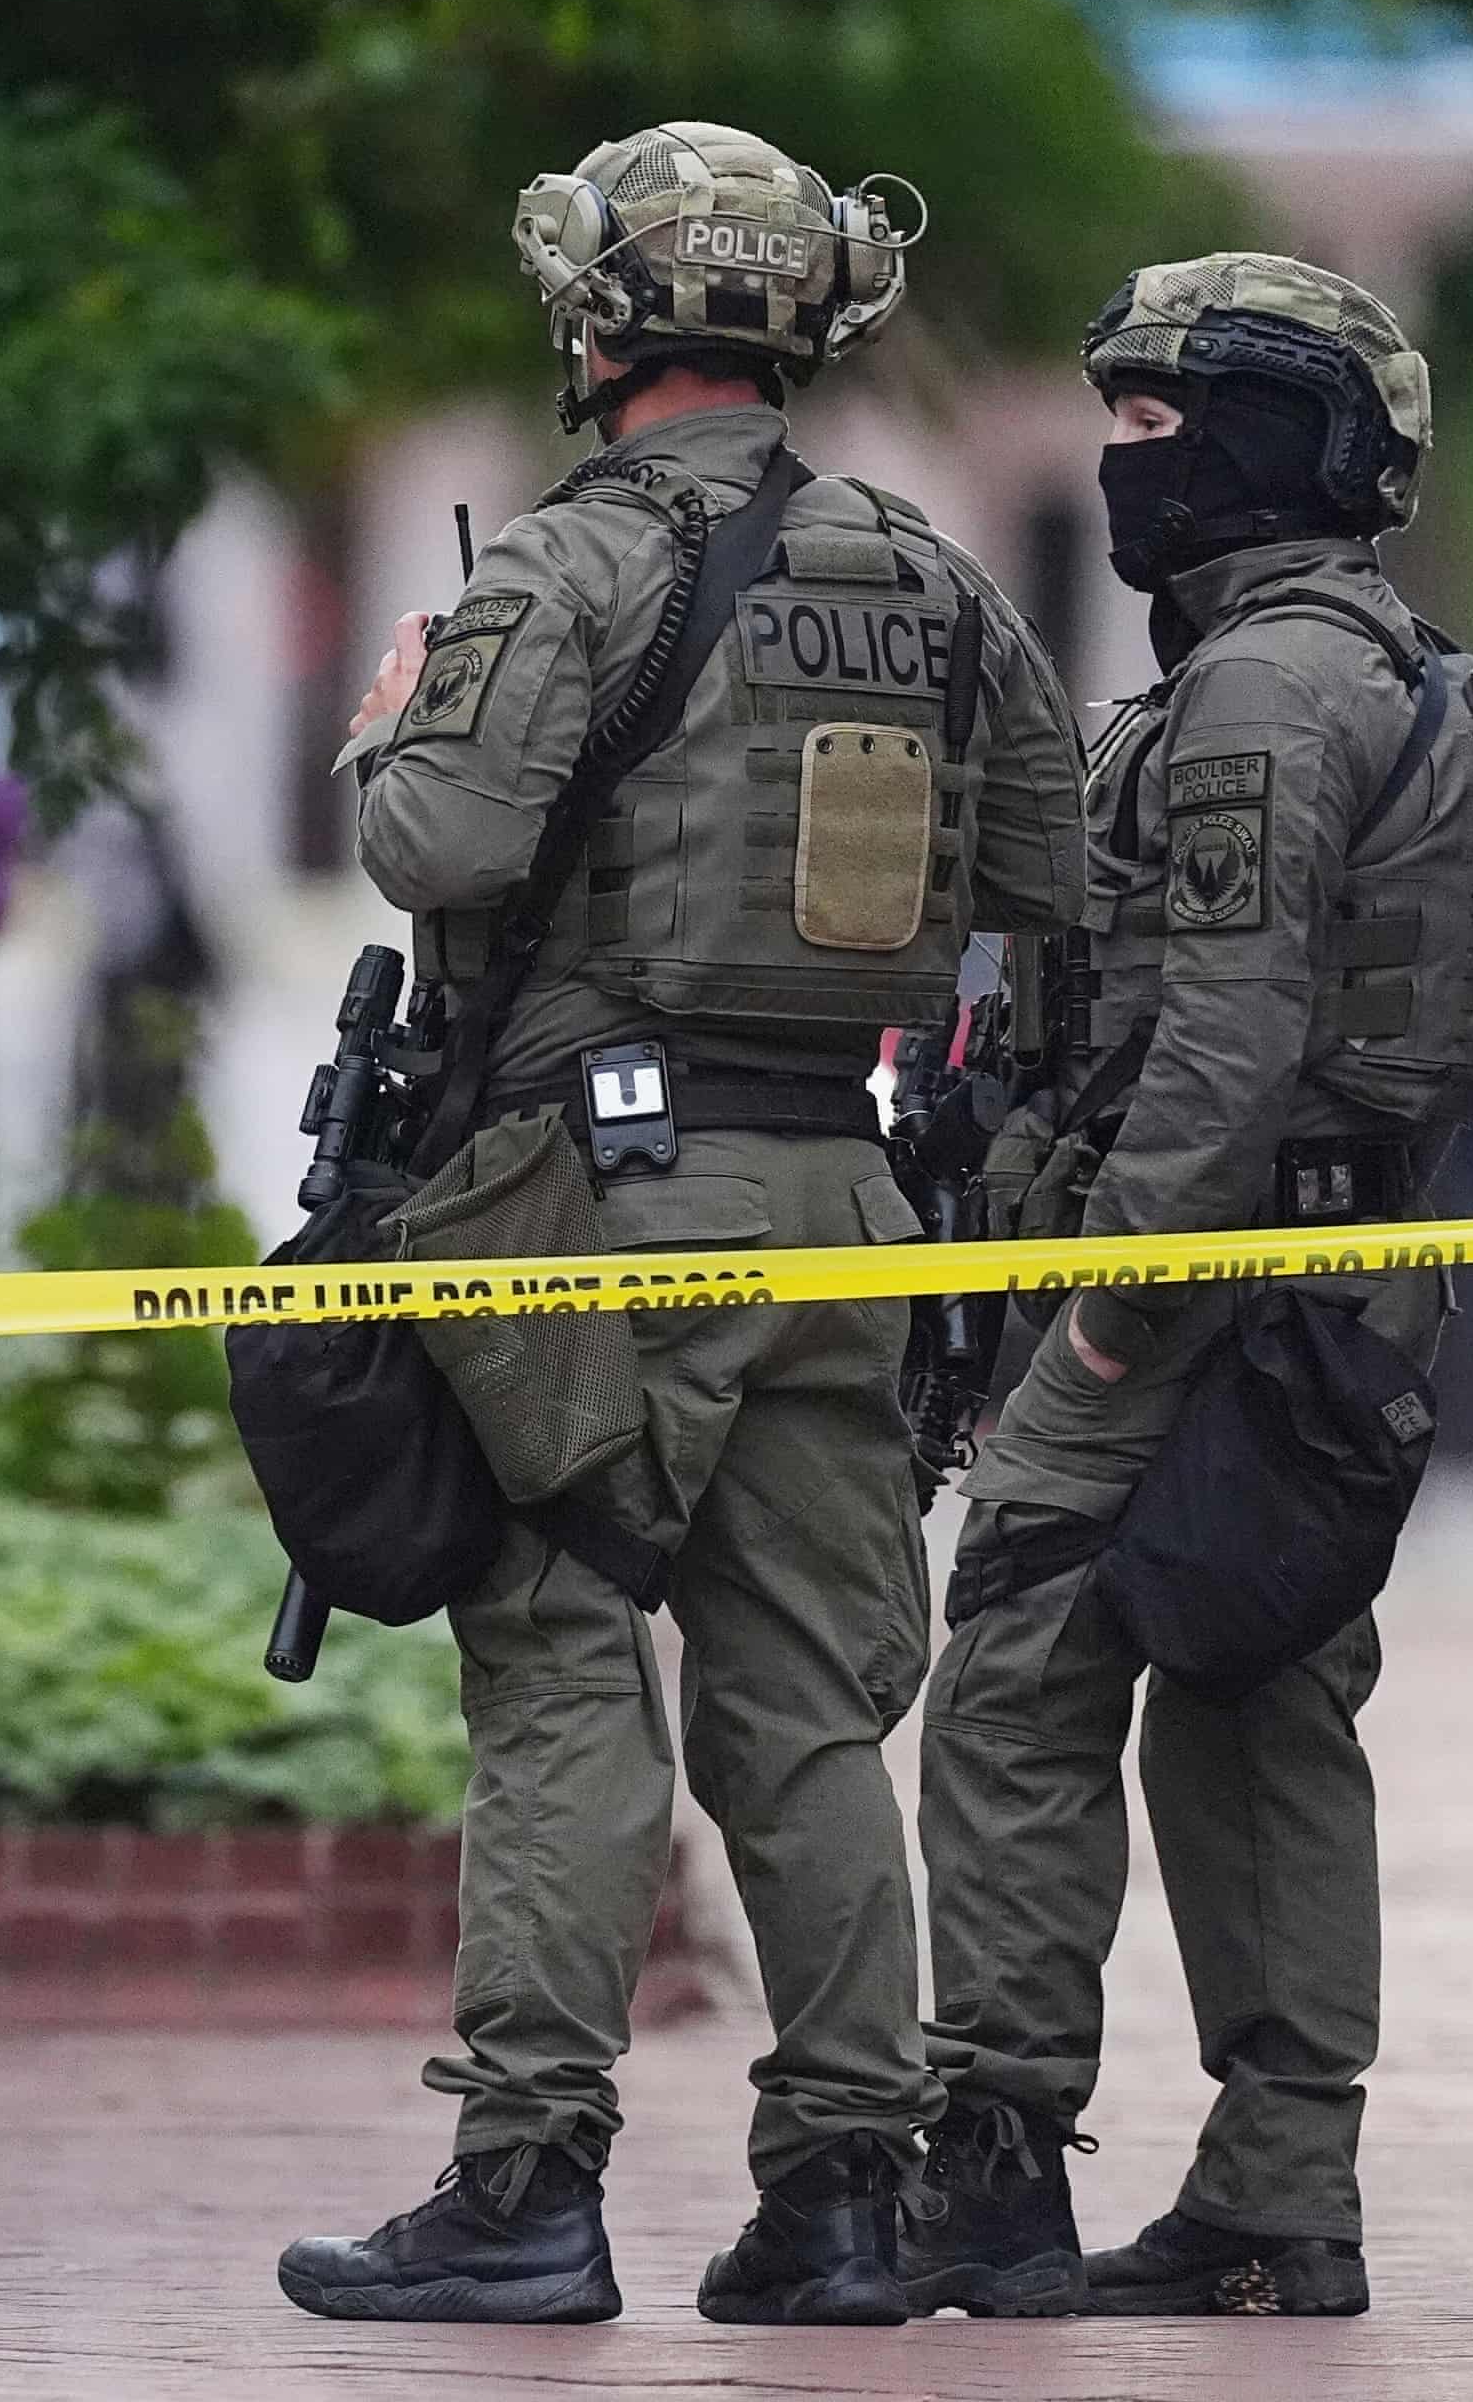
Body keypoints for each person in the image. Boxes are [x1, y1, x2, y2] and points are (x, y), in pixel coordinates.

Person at [276, 124, 1085, 2328]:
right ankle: (840, 2194)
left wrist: (378, 736)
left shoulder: (564, 568)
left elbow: (437, 838)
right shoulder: (928, 578)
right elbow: (1046, 871)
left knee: (558, 1664)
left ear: (597, 319)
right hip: (845, 1195)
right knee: (808, 1711)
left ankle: (525, 2176)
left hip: (599, 1213)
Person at [901, 256, 1473, 2320]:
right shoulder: (1386, 670)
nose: (1123, 460)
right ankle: (1279, 2188)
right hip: (1325, 1283)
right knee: (1259, 1705)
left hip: (1189, 1277)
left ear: (1278, 443)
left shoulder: (1266, 689)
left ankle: (990, 2162)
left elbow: (1227, 1032)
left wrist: (1097, 1304)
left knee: (1013, 1672)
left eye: (1166, 423)